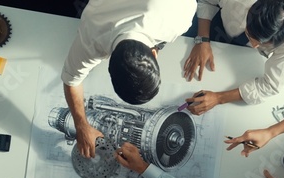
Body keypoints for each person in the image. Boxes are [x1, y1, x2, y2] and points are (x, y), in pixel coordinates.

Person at [62, 0, 197, 158]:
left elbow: (72, 80)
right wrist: (81, 126)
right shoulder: (92, 34)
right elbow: (71, 80)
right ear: (154, 53)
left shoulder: (179, 20)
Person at [183, 0, 284, 115]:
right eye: (250, 35)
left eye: (261, 44)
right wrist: (203, 40)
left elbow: (271, 86)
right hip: (220, 29)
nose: (253, 46)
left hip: (246, 59)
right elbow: (206, 2)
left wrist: (218, 98)